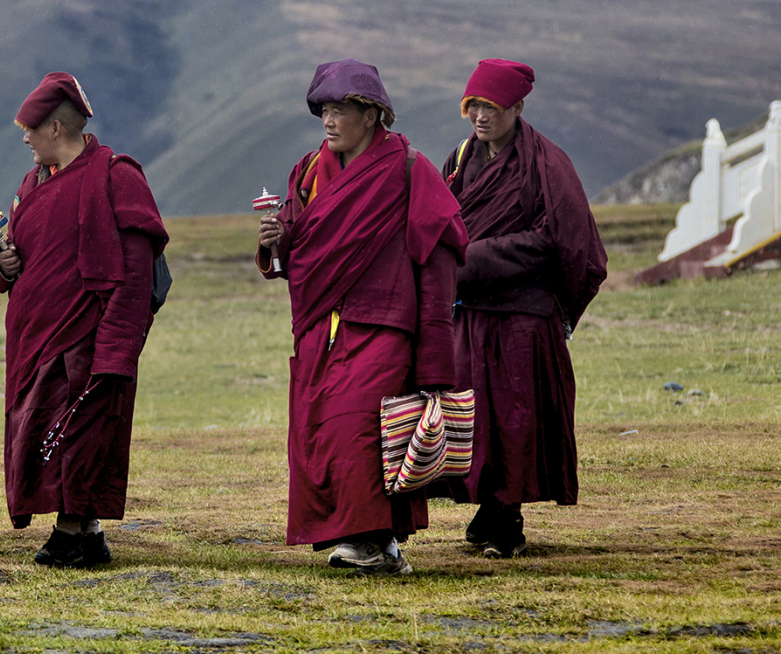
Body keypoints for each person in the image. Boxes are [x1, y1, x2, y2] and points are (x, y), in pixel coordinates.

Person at [256, 58, 467, 574]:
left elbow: (438, 258)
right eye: (324, 111)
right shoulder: (307, 171)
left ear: (372, 115)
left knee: (362, 431)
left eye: (340, 110)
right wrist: (274, 243)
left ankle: (368, 542)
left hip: (383, 323)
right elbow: (294, 245)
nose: (329, 121)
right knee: (322, 434)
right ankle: (377, 543)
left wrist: (435, 351)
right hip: (318, 328)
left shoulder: (409, 169)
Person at [0, 72, 167, 568]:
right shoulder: (32, 183)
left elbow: (134, 274)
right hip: (34, 335)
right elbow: (23, 257)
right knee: (42, 429)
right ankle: (87, 534)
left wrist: (117, 349)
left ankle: (68, 532)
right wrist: (2, 267)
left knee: (79, 432)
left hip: (86, 337)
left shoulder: (117, 176)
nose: (23, 138)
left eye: (29, 128)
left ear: (55, 128)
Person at [437, 59, 606, 559]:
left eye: (490, 107)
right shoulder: (461, 158)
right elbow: (443, 220)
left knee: (513, 419)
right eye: (473, 107)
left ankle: (506, 518)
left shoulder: (546, 164)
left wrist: (472, 258)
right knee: (474, 418)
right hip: (471, 312)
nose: (480, 118)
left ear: (517, 108)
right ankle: (490, 507)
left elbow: (560, 241)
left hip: (521, 316)